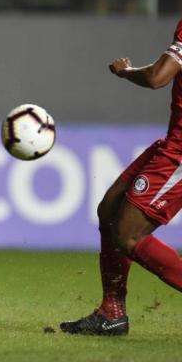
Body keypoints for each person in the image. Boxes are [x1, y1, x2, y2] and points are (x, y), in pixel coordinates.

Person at [61, 18, 182, 335]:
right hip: (173, 143)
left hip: (181, 153)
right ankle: (111, 312)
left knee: (129, 234)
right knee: (111, 209)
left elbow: (158, 77)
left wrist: (126, 72)